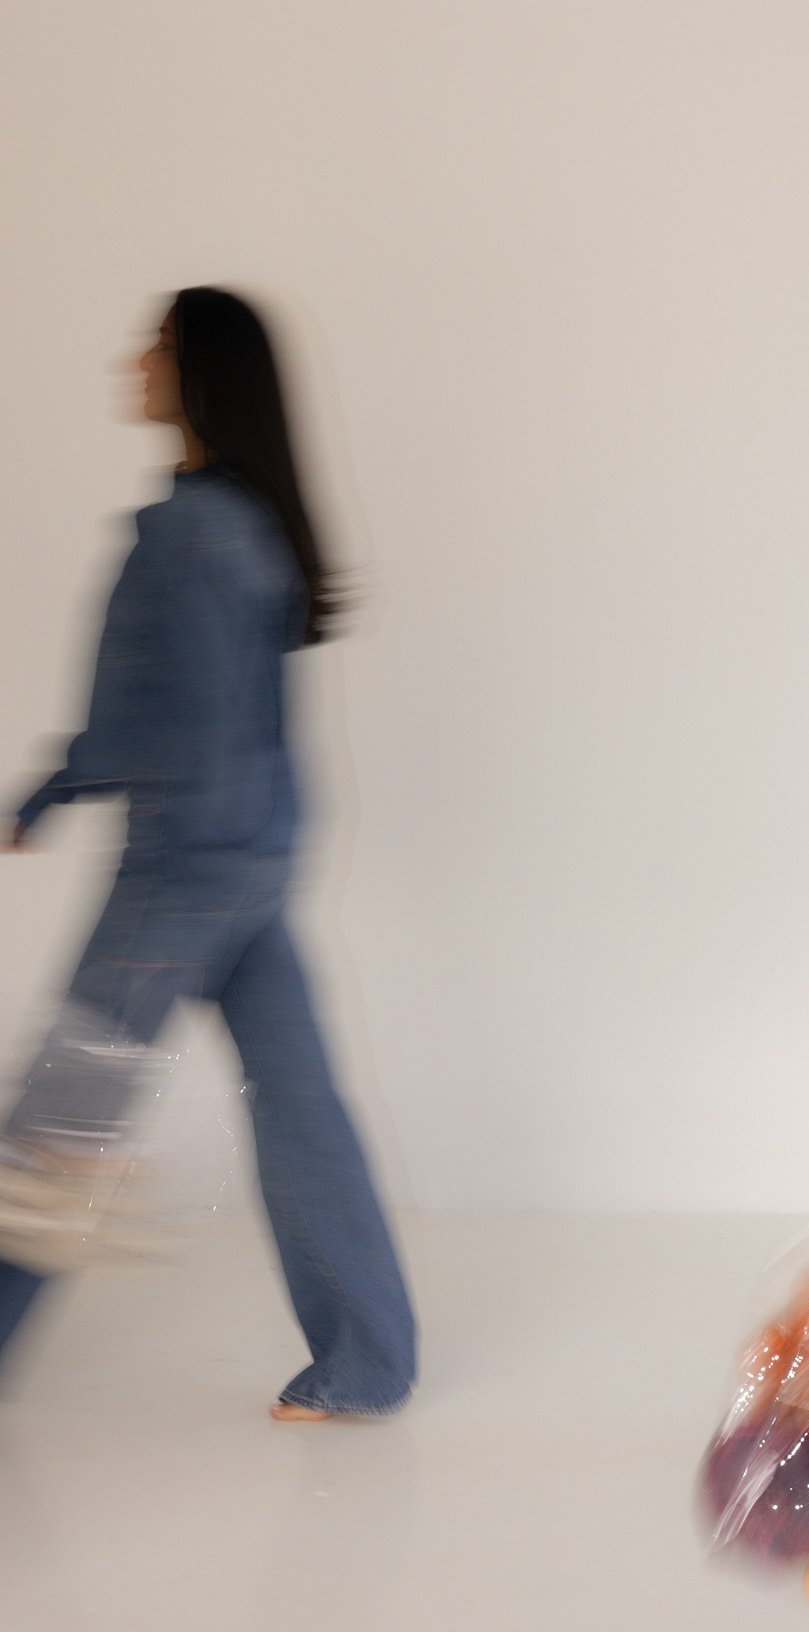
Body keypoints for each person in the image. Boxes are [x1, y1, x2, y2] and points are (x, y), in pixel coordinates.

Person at [1, 288, 416, 1420]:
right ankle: (368, 1360)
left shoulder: (188, 530)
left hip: (188, 864)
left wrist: (56, 782)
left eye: (153, 342)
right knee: (298, 1103)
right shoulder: (249, 520)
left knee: (57, 1115)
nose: (131, 358)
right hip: (256, 849)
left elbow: (158, 719)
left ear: (194, 371)